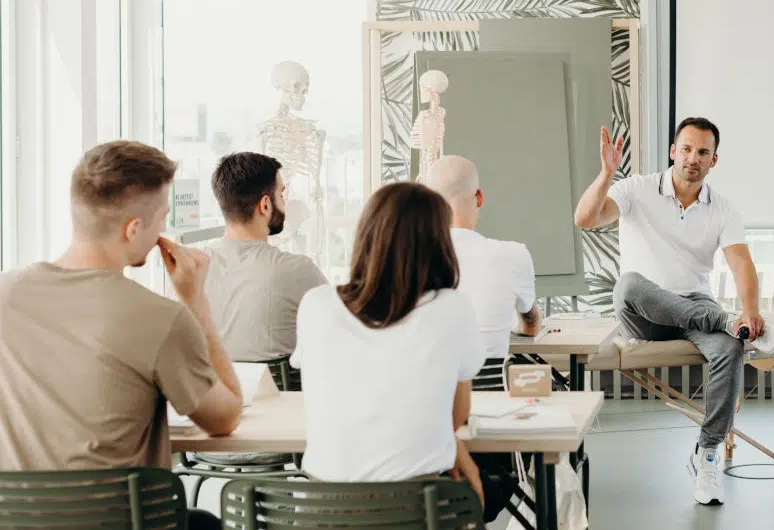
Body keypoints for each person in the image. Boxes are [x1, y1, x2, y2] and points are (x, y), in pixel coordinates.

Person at [0, 141, 243, 530]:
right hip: (122, 521)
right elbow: (224, 418)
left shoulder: (5, 295)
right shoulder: (160, 318)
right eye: (161, 219)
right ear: (133, 229)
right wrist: (195, 302)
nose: (163, 229)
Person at [573, 117, 774, 506]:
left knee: (729, 348)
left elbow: (741, 264)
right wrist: (606, 173)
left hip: (695, 308)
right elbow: (584, 218)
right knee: (629, 285)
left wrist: (750, 310)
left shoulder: (723, 209)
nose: (693, 158)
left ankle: (707, 453)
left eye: (703, 152)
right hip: (644, 313)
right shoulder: (635, 189)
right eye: (686, 149)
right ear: (673, 151)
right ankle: (723, 320)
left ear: (713, 161)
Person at [292, 182, 486, 505]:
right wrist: (452, 449)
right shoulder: (452, 308)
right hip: (417, 511)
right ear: (439, 244)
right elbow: (456, 414)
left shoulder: (315, 304)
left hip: (320, 511)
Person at [206, 152, 327, 362]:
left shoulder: (189, 269)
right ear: (265, 205)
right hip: (282, 394)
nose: (284, 203)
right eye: (281, 195)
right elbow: (340, 328)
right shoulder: (297, 270)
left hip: (211, 393)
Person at [426, 155, 540, 358]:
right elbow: (531, 326)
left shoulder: (408, 260)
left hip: (431, 388)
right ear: (479, 197)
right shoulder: (514, 255)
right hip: (489, 388)